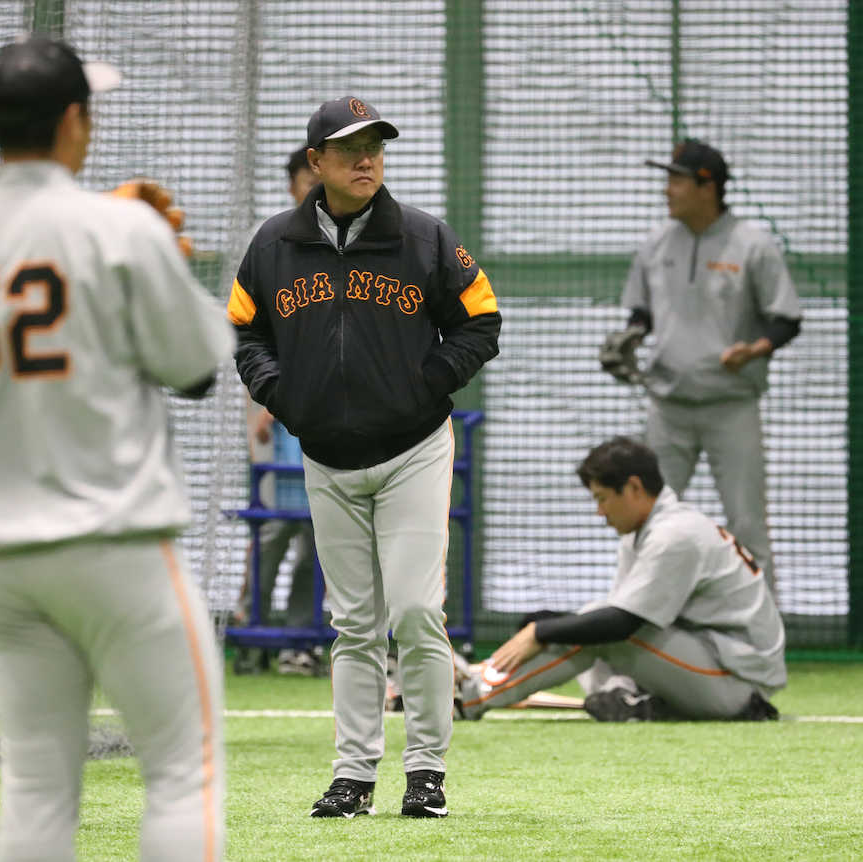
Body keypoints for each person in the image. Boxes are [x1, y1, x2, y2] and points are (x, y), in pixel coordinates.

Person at [0, 35, 235, 861]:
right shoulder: (119, 229)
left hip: (2, 559)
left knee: (38, 788)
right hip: (114, 542)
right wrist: (164, 252)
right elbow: (195, 371)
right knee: (182, 772)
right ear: (75, 120)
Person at [227, 96, 501, 818]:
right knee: (352, 625)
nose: (367, 157)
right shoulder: (275, 244)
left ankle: (427, 773)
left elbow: (481, 319)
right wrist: (284, 396)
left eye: (376, 144)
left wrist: (426, 384)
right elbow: (245, 332)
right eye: (350, 148)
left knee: (413, 611)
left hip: (413, 450)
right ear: (316, 163)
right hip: (327, 457)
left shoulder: (423, 239)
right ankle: (352, 778)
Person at [455, 436, 786, 723]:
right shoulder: (651, 529)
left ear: (634, 488)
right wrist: (548, 625)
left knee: (600, 629)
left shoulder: (675, 535)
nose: (600, 511)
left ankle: (467, 694)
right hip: (708, 662)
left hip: (737, 683)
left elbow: (621, 625)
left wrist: (541, 630)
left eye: (602, 498)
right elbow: (619, 616)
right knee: (592, 623)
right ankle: (631, 701)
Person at [601, 139, 802, 594]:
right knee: (646, 516)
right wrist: (630, 339)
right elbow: (642, 315)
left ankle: (762, 637)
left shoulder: (752, 243)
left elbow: (786, 319)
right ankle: (629, 623)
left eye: (676, 180)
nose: (666, 190)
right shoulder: (656, 243)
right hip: (667, 406)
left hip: (732, 406)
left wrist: (755, 349)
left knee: (746, 520)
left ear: (706, 186)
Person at [234, 145, 323, 677]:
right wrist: (262, 401)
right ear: (292, 184)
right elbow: (250, 332)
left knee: (318, 535)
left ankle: (300, 637)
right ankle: (253, 632)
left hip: (325, 423)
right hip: (276, 416)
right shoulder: (271, 244)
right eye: (304, 177)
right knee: (271, 530)